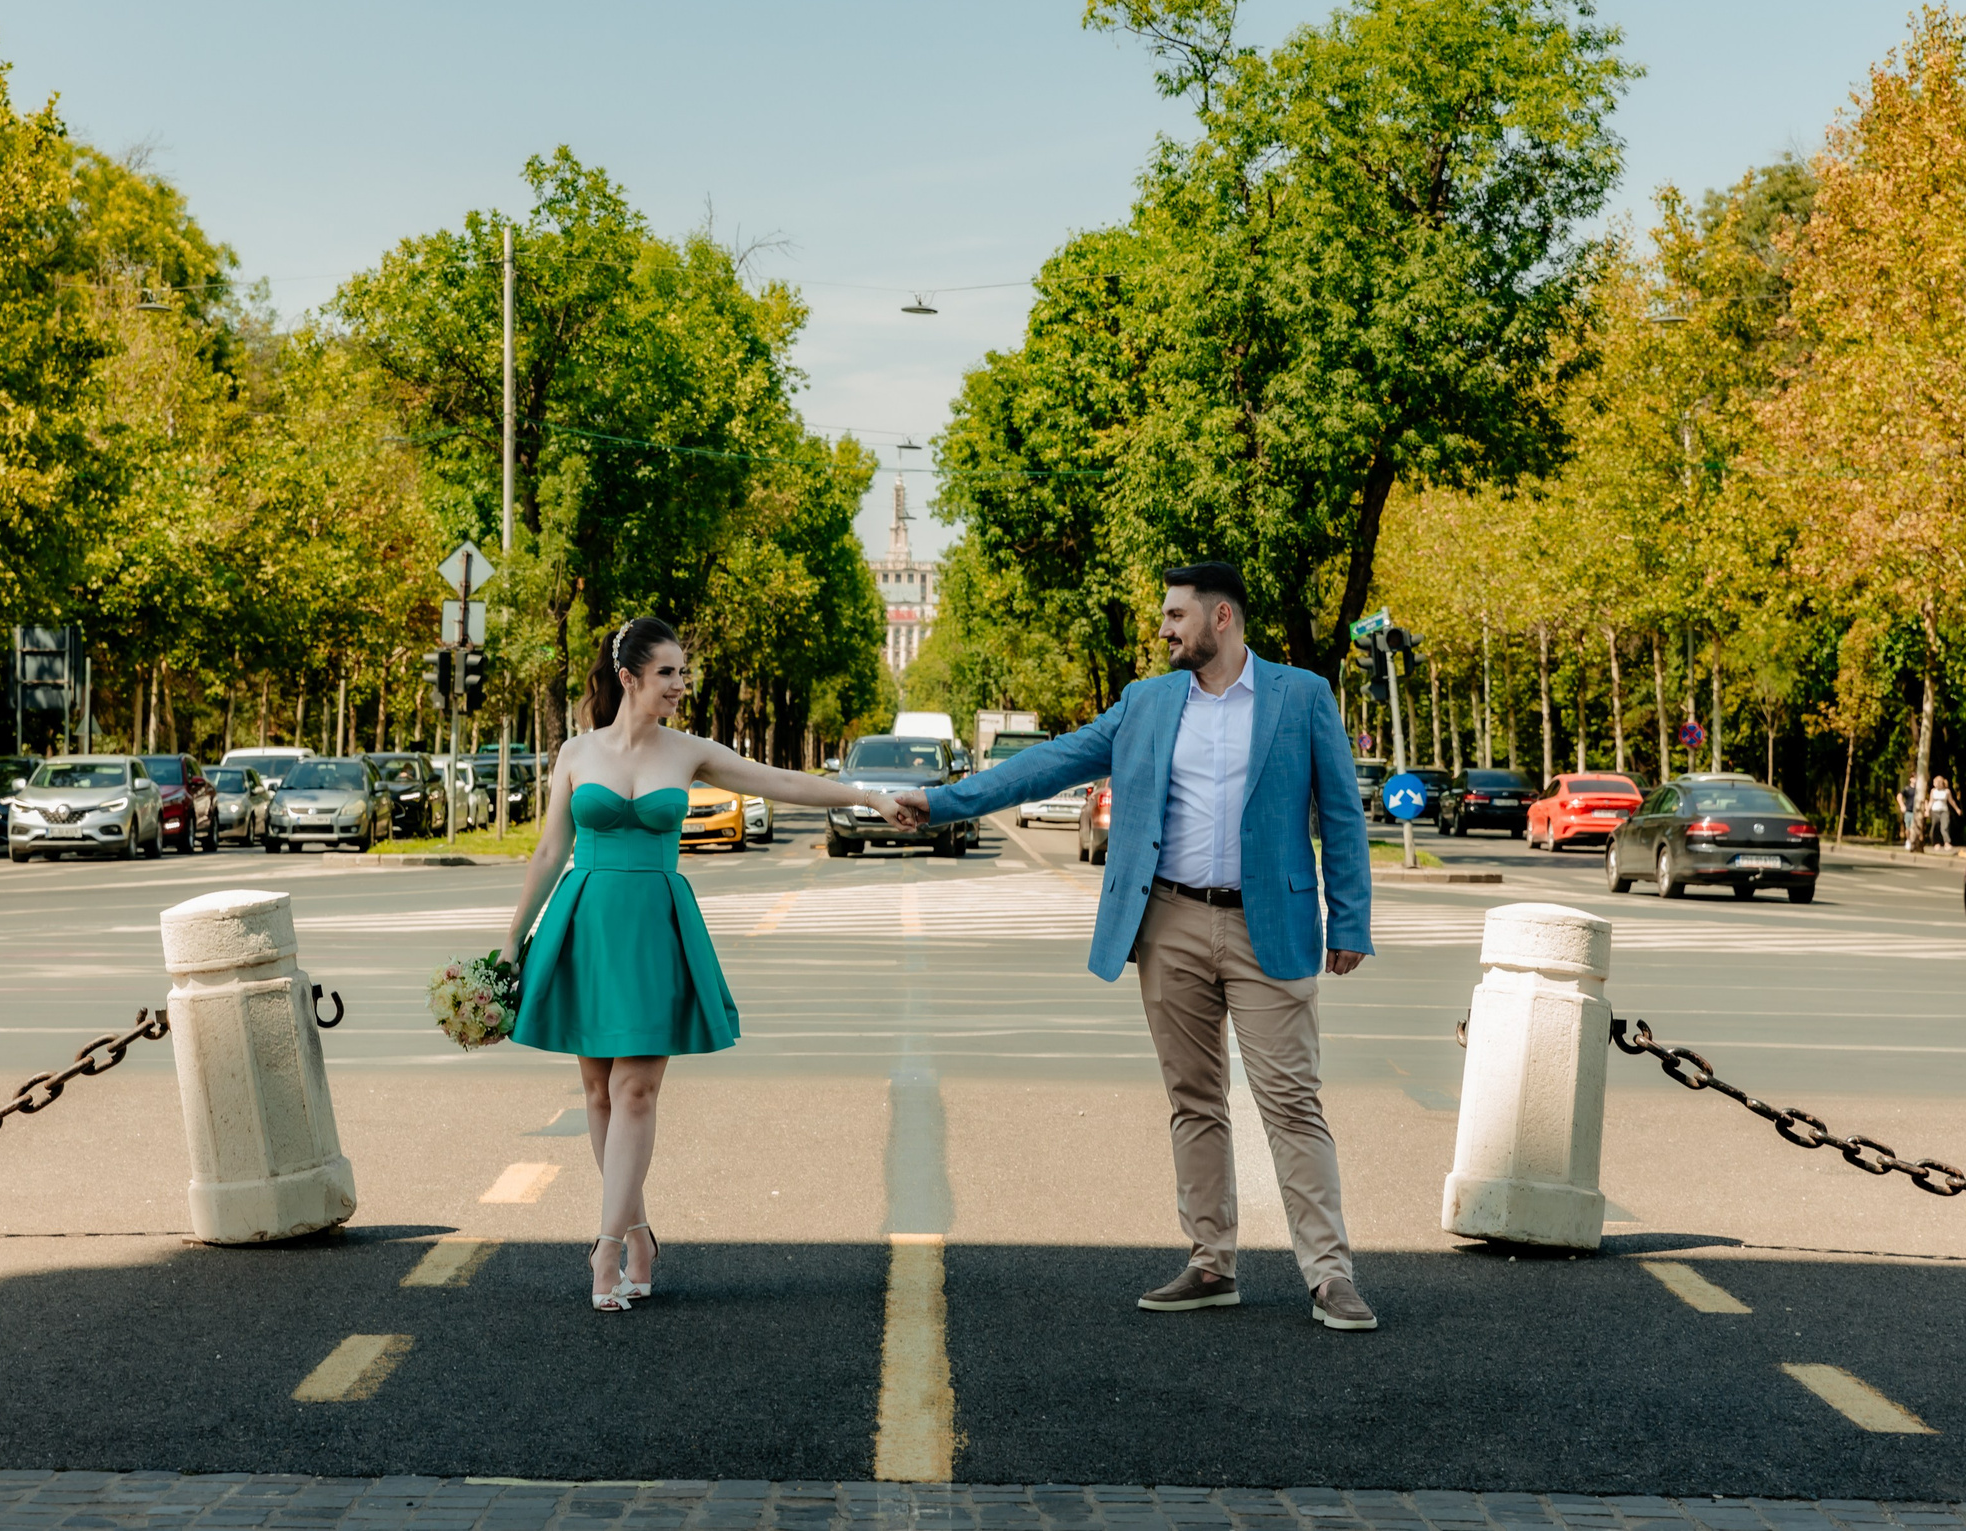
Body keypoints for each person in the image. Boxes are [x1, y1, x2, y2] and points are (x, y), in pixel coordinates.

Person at [892, 562, 1378, 1331]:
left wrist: (1349, 918)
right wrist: (945, 802)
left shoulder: (1300, 695)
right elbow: (1048, 763)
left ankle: (1329, 1276)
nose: (1163, 628)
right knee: (1194, 1099)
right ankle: (1211, 1261)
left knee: (1291, 1102)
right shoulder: (1147, 703)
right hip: (1171, 923)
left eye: (1176, 615)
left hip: (1270, 927)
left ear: (1222, 618)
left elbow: (1343, 814)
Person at [503, 616, 906, 1312]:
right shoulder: (575, 752)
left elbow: (782, 781)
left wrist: (866, 796)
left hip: (655, 926)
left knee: (635, 1091)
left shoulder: (689, 751)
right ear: (629, 676)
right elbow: (547, 853)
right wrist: (512, 940)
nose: (682, 686)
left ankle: (603, 1247)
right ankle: (638, 1235)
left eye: (684, 673)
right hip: (586, 922)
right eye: (669, 674)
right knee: (598, 1092)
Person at [1926, 775, 1957, 852]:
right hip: (1935, 811)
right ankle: (1936, 843)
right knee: (1935, 826)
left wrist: (1957, 809)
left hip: (1944, 811)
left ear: (1940, 783)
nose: (1934, 784)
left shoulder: (1947, 791)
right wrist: (1927, 810)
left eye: (1935, 782)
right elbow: (1930, 801)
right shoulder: (1933, 791)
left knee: (1945, 826)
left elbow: (1951, 801)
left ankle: (1947, 842)